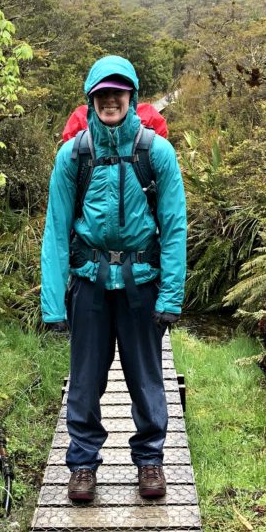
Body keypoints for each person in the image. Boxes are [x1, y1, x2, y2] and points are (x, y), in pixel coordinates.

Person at [41, 55, 187, 502]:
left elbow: (175, 226)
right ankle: (82, 464)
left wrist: (171, 297)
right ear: (91, 98)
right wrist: (52, 304)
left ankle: (150, 462)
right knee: (85, 379)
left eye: (118, 92)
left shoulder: (156, 152)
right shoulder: (74, 155)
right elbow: (56, 230)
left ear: (131, 96)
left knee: (146, 378)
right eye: (102, 93)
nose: (110, 100)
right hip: (89, 282)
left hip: (142, 282)